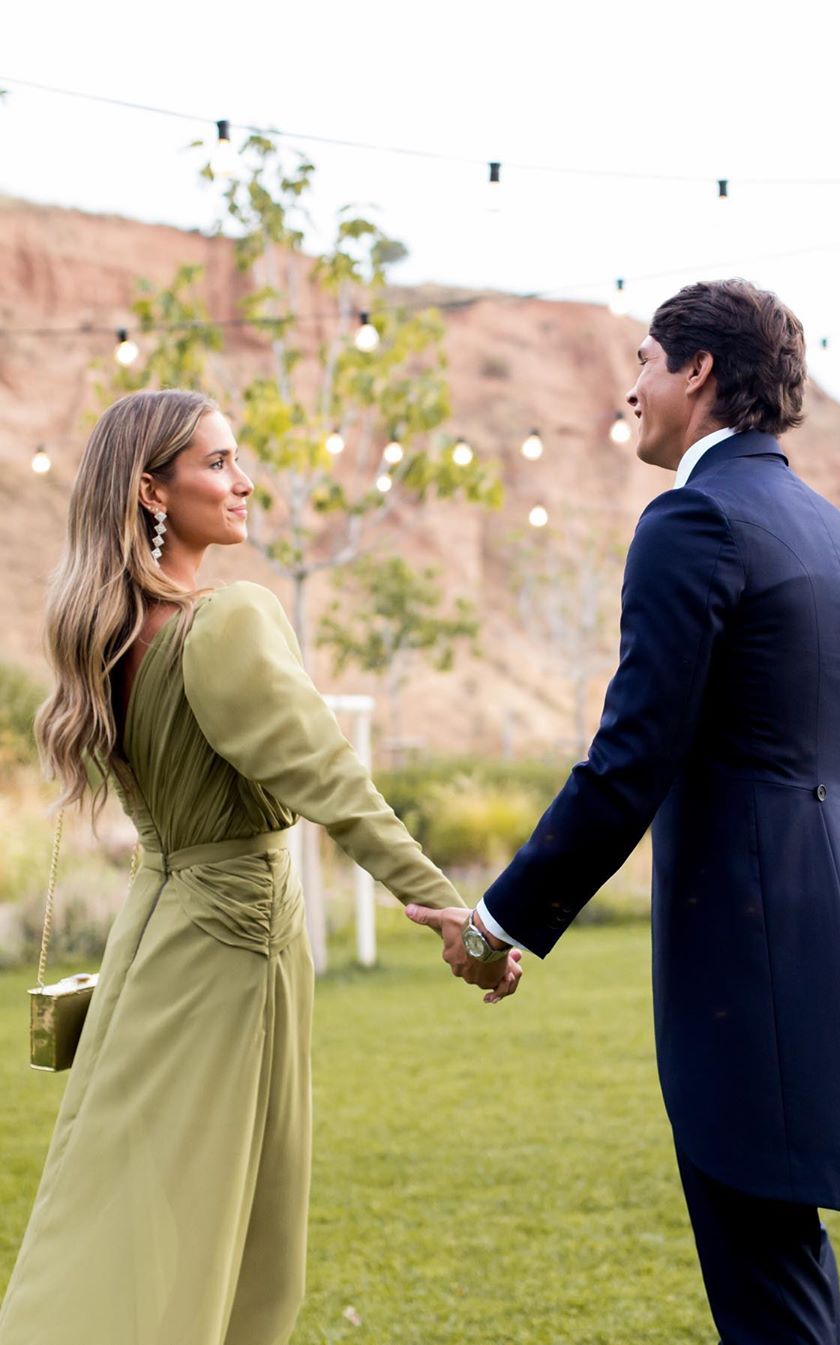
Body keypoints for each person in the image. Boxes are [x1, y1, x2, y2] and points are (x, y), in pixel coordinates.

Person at [407, 279, 840, 1345]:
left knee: (759, 1268)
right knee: (779, 1252)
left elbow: (633, 755)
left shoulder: (694, 519)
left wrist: (499, 921)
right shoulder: (827, 529)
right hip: (832, 911)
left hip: (744, 937)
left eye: (644, 360)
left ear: (698, 371)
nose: (628, 386)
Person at [0, 389, 521, 1345]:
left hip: (153, 941)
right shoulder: (225, 621)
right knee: (234, 1227)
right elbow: (335, 783)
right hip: (231, 956)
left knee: (123, 1195)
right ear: (152, 491)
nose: (244, 482)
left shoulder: (107, 633)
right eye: (217, 463)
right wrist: (452, 910)